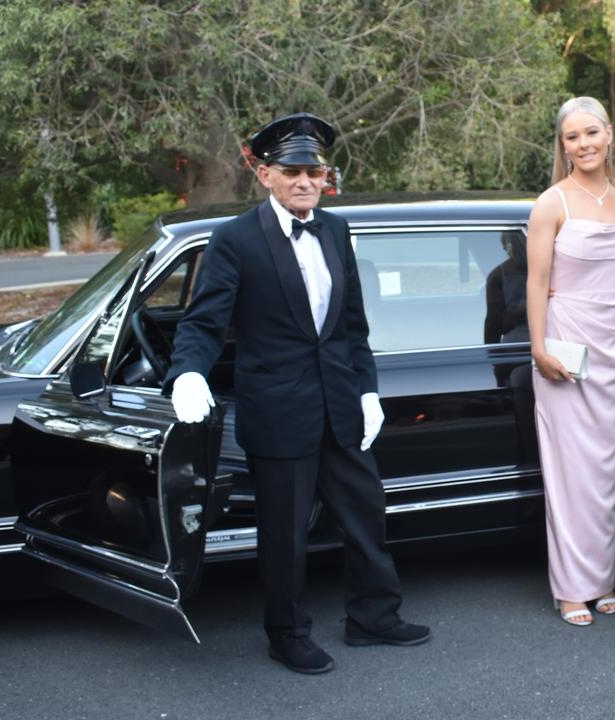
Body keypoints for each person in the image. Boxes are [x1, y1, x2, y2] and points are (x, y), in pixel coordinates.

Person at [164, 112, 429, 675]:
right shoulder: (234, 239)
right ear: (265, 175)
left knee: (366, 514)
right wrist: (188, 373)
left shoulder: (335, 230)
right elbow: (203, 323)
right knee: (283, 535)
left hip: (342, 403)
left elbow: (352, 324)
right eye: (293, 171)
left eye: (315, 171)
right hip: (280, 411)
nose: (307, 181)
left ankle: (373, 617)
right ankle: (286, 633)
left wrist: (367, 390)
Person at [526, 97, 615, 627]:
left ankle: (603, 580)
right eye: (572, 137)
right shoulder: (552, 203)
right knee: (569, 472)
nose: (583, 144)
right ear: (562, 145)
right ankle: (571, 588)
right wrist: (539, 348)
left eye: (591, 132)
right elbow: (535, 281)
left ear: (610, 134)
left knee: (607, 472)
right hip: (565, 341)